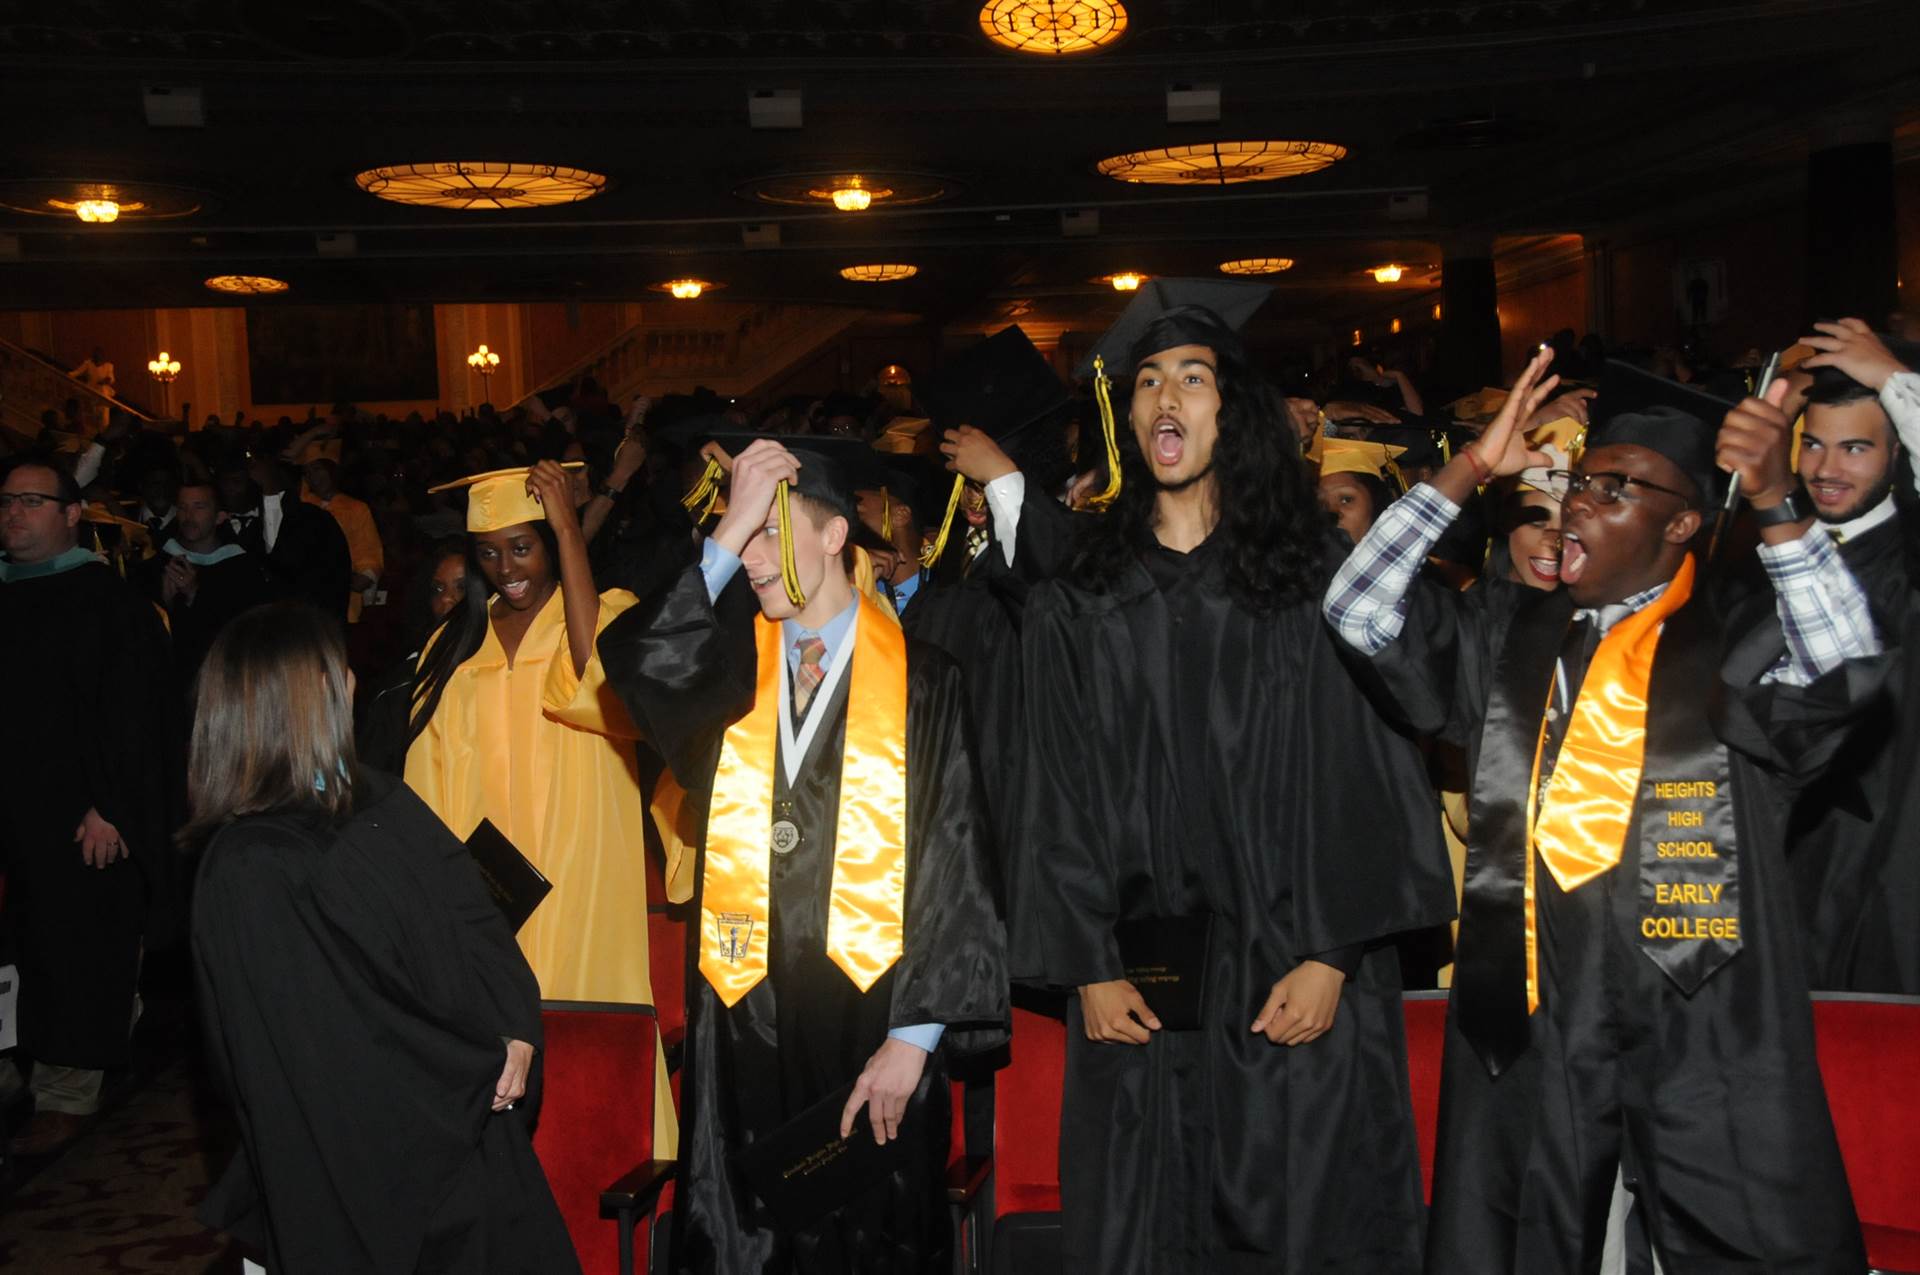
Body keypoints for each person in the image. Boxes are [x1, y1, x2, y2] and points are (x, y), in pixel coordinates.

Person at [1324, 348, 1880, 1272]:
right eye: (1580, 479)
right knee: (1516, 1237)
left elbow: (1845, 668)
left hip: (1705, 996)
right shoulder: (1513, 631)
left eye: (1617, 487)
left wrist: (1780, 503)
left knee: (1745, 1230)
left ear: (1684, 523)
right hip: (1537, 994)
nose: (1580, 500)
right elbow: (1359, 608)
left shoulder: (1740, 636)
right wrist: (1463, 472)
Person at [1015, 284, 1455, 1273]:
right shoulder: (1075, 603)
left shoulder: (1312, 583)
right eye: (1149, 381)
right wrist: (1085, 962)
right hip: (1139, 981)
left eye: (1194, 376)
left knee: (1301, 1214)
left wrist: (1335, 954)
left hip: (1287, 970)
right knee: (1144, 1220)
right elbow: (1052, 795)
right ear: (1129, 419)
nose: (1167, 395)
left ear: (1233, 410)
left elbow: (1371, 776)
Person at [600, 432, 1008, 1274]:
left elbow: (956, 859)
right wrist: (727, 530)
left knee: (873, 1240)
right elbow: (635, 662)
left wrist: (915, 1041)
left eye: (766, 534)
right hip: (743, 1012)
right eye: (739, 537)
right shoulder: (722, 675)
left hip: (876, 1020)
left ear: (833, 537)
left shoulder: (926, 680)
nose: (749, 557)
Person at [185, 604, 578, 1275]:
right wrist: (472, 1064)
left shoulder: (376, 797)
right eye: (333, 675)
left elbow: (477, 919)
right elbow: (336, 1050)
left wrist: (516, 1025)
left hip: (469, 1140)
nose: (352, 682)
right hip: (378, 1188)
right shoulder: (252, 868)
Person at [402, 461, 674, 1154]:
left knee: (585, 1045)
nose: (505, 568)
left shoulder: (606, 612)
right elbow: (424, 780)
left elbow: (600, 679)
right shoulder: (453, 644)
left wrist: (571, 532)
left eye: (523, 546)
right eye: (488, 553)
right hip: (487, 890)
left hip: (580, 865)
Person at [0, 456, 172, 1156]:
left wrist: (113, 807)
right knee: (18, 945)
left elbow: (136, 716)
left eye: (32, 501)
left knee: (74, 944)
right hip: (12, 812)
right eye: (6, 502)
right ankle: (20, 1062)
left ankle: (68, 1084)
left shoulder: (109, 602)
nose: (13, 514)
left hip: (80, 819)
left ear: (73, 514)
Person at [1778, 320, 1920, 991]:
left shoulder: (1908, 567)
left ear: (1898, 454)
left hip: (1891, 863)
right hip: (1785, 858)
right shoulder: (1763, 553)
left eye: (1856, 447)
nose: (1827, 469)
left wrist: (1896, 382)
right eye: (1813, 445)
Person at [137, 479, 273, 694]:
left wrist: (194, 596)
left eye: (199, 507)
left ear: (220, 516)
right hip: (170, 687)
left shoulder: (242, 569)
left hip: (225, 685)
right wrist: (165, 603)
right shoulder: (159, 563)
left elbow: (247, 634)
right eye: (182, 507)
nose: (188, 517)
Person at [355, 535, 467, 774]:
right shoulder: (403, 686)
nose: (447, 598)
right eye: (438, 589)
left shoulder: (504, 669)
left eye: (462, 587)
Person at [218, 452, 352, 623]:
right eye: (224, 482)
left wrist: (270, 495)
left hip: (302, 628)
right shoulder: (218, 524)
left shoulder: (311, 521)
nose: (229, 489)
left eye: (237, 482)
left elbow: (286, 563)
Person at [300, 452, 384, 623]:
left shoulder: (356, 508)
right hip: (306, 592)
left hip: (341, 591)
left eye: (317, 469)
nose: (313, 477)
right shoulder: (302, 505)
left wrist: (365, 575)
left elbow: (369, 553)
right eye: (307, 472)